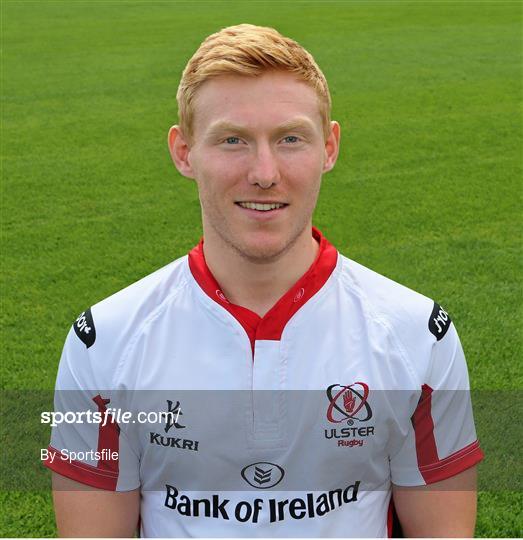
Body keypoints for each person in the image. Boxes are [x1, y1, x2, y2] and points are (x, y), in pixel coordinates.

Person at [44, 24, 484, 537]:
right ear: (184, 152)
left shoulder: (418, 335)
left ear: (330, 147)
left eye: (290, 139)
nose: (264, 172)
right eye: (232, 140)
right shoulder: (103, 340)